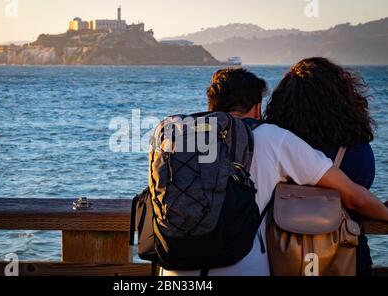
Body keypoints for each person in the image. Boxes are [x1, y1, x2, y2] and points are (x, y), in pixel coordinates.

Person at [161, 68, 388, 276]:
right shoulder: (271, 137)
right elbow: (355, 197)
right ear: (258, 108)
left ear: (211, 105)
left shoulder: (177, 136)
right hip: (240, 265)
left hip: (174, 268)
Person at [265, 57, 377, 276]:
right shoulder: (356, 149)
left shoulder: (274, 144)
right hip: (346, 254)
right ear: (342, 98)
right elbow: (360, 194)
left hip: (282, 255)